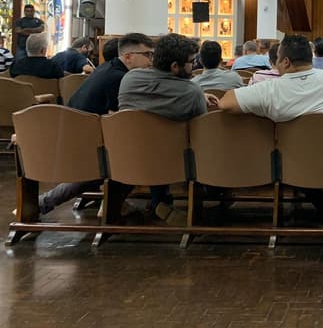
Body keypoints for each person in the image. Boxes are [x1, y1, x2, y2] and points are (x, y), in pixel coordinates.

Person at [218, 35, 323, 226]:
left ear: (286, 61)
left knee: (290, 158)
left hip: (296, 164)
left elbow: (225, 103)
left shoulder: (270, 90)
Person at [37, 33, 155, 216]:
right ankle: (112, 206)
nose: (151, 61)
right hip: (87, 143)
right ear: (129, 56)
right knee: (134, 157)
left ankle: (46, 201)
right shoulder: (119, 78)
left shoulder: (108, 68)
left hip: (76, 136)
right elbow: (120, 119)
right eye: (147, 55)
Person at [119, 34, 216, 224]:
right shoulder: (191, 92)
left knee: (152, 140)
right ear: (174, 66)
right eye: (190, 61)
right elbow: (202, 132)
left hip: (127, 157)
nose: (193, 65)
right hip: (175, 164)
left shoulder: (130, 79)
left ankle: (158, 203)